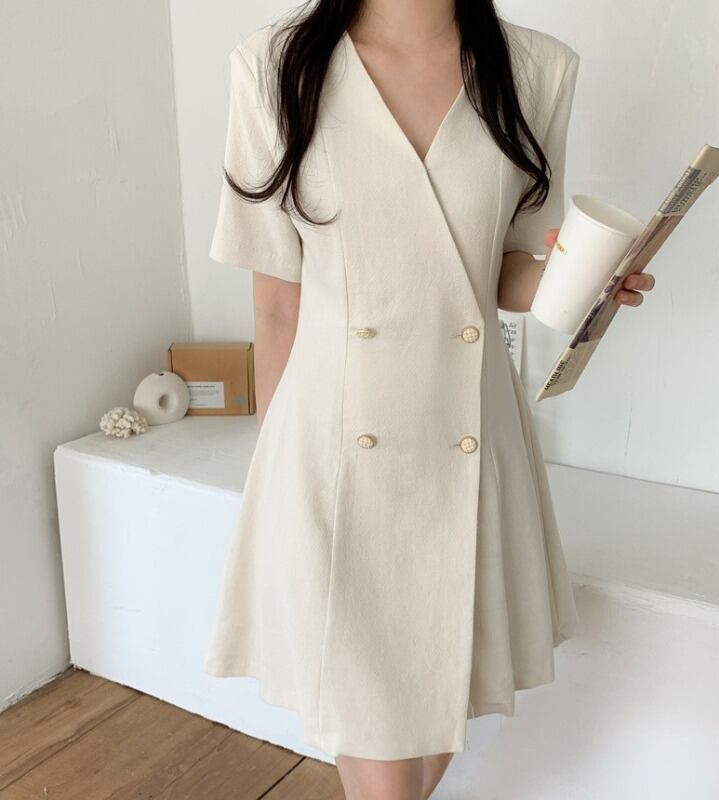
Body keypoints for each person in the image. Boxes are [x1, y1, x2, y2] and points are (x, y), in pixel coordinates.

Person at [205, 1, 655, 798]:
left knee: (434, 691)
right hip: (330, 439)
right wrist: (274, 470)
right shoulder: (273, 66)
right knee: (369, 707)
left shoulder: (536, 70)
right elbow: (276, 304)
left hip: (466, 429)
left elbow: (505, 268)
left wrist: (589, 282)